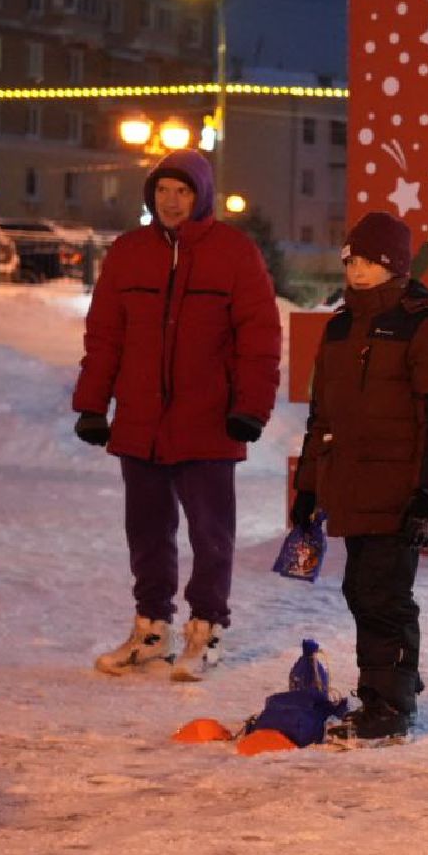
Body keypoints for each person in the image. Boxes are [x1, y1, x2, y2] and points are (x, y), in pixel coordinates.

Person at [74, 149, 281, 681]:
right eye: (163, 191)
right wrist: (93, 405)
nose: (171, 201)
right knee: (146, 531)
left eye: (182, 191)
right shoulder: (128, 252)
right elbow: (105, 336)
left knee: (211, 535)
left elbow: (258, 340)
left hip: (208, 421)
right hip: (141, 422)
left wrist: (249, 410)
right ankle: (151, 630)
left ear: (202, 196)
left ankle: (206, 630)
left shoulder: (234, 254)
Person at [292, 211, 428, 744]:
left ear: (393, 265)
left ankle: (392, 704)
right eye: (351, 259)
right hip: (352, 486)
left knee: (384, 593)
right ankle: (387, 689)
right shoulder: (339, 326)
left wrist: (426, 494)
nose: (356, 269)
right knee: (362, 590)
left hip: (399, 489)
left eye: (367, 260)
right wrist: (308, 487)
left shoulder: (422, 325)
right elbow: (321, 417)